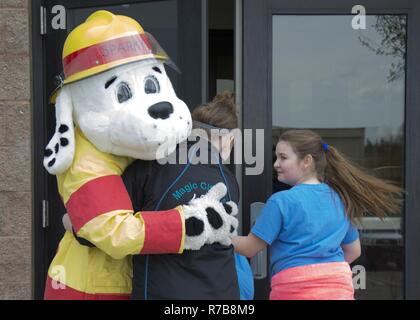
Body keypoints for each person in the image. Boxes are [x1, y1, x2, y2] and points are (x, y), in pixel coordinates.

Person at [65, 91, 253, 299]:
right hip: (221, 293)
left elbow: (98, 232)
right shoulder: (228, 180)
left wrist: (77, 225)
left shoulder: (150, 166)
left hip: (163, 291)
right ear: (229, 140)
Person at [232, 129, 403, 300]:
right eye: (276, 157)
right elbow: (353, 251)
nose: (276, 164)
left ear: (306, 161)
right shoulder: (340, 199)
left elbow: (249, 248)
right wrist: (326, 271)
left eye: (283, 158)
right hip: (339, 289)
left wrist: (216, 236)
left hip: (294, 289)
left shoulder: (281, 201)